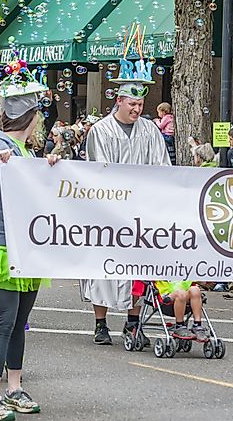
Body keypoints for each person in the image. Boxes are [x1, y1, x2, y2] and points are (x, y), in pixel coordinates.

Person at [0, 56, 57, 421]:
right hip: (1, 247)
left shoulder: (26, 150)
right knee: (5, 321)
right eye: (39, 116)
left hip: (26, 246)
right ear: (32, 117)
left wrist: (45, 168)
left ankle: (16, 387)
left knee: (19, 322)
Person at [81, 64, 171, 346]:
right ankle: (101, 324)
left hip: (141, 213)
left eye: (141, 104)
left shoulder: (150, 131)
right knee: (102, 269)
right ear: (118, 100)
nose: (136, 109)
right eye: (132, 103)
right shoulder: (101, 131)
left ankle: (133, 323)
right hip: (109, 212)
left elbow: (162, 167)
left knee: (137, 269)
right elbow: (101, 170)